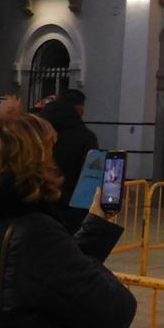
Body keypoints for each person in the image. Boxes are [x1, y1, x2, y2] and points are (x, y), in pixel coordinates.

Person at [0, 113, 136, 328]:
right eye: (49, 153)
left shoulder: (8, 226)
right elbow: (113, 312)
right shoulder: (33, 232)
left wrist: (97, 226)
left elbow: (48, 278)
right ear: (31, 162)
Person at [38, 89, 98, 234]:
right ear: (80, 110)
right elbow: (90, 176)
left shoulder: (38, 130)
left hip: (38, 206)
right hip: (72, 210)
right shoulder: (85, 136)